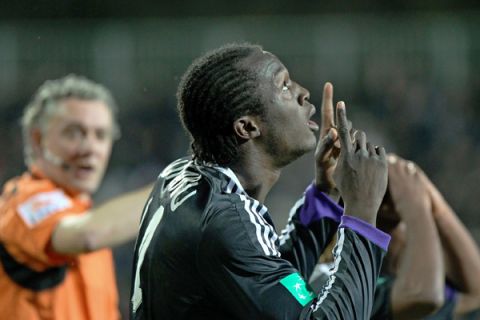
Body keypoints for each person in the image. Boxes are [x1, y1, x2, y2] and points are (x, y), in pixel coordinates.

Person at [130, 43, 391, 319]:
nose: (303, 93)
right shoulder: (224, 218)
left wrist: (326, 192)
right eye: (285, 86)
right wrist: (361, 211)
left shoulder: (183, 177)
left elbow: (268, 285)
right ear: (248, 126)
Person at [0, 75, 152, 320]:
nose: (90, 148)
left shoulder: (86, 215)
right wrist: (170, 190)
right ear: (38, 140)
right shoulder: (23, 201)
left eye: (100, 135)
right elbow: (87, 235)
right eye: (74, 133)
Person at [370, 155, 480, 320]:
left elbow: (475, 295)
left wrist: (427, 194)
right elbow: (423, 296)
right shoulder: (335, 280)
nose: (415, 235)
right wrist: (416, 205)